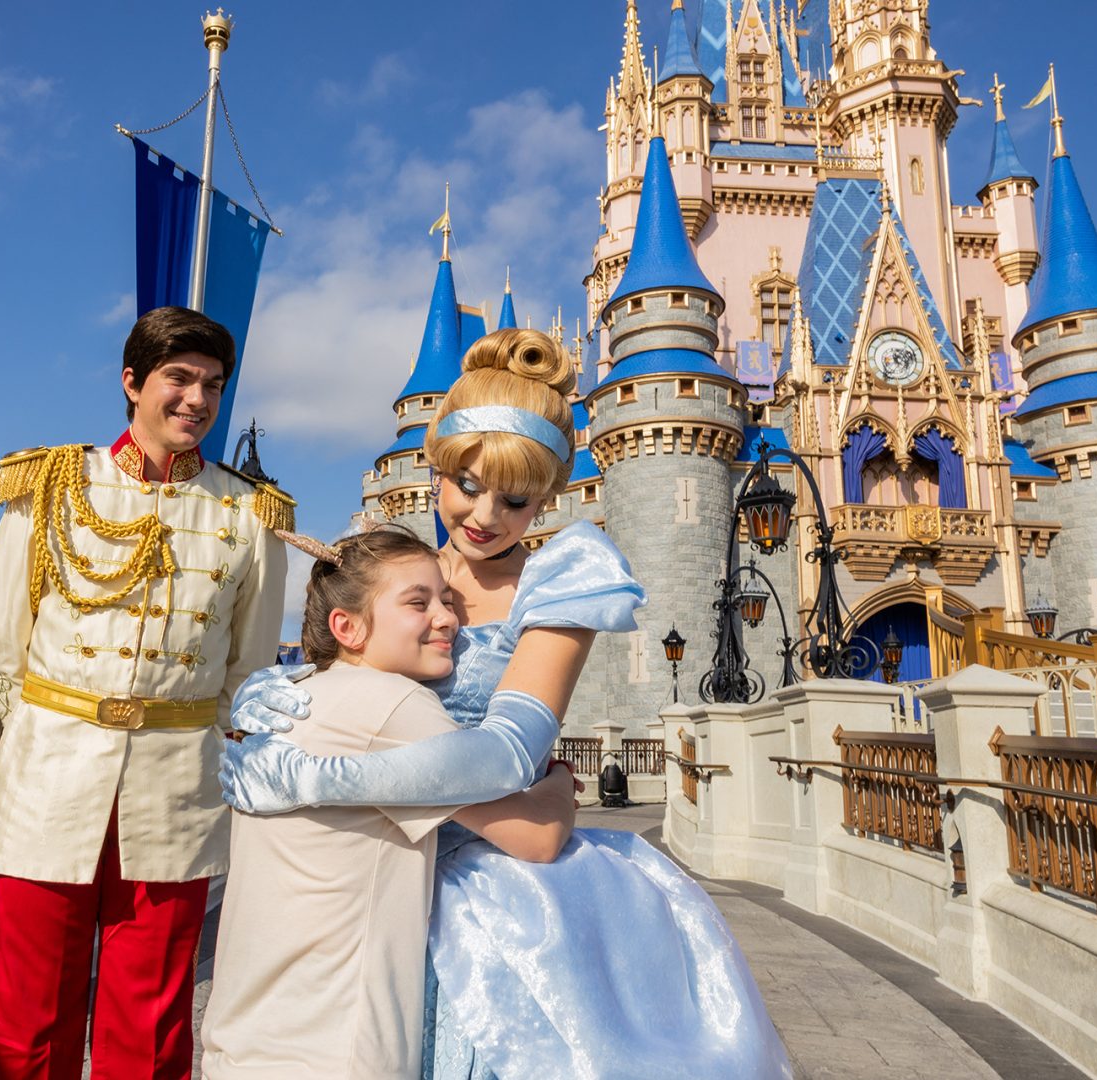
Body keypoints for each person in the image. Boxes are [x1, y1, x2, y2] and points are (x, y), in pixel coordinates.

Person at [222, 327, 790, 1079]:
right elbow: (347, 664)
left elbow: (511, 754)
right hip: (386, 869)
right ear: (437, 470)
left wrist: (315, 775)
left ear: (548, 499)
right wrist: (283, 684)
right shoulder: (399, 570)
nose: (485, 514)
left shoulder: (561, 581)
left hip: (491, 889)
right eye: (466, 485)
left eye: (516, 499)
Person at [0, 306, 290, 1079]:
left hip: (174, 784)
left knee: (149, 1024)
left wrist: (198, 745)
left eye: (212, 384)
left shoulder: (250, 513)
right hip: (51, 771)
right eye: (178, 378)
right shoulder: (51, 484)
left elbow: (245, 670)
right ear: (132, 382)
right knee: (25, 1019)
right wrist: (47, 733)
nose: (197, 399)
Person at [201, 526, 581, 1079]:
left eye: (448, 601)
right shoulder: (398, 706)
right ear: (347, 627)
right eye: (418, 603)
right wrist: (560, 782)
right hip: (335, 1052)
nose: (449, 619)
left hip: (242, 1041)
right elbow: (538, 836)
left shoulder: (292, 699)